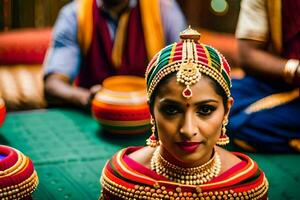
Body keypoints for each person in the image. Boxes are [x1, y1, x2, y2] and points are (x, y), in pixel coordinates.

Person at [99, 27, 269, 199]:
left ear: (226, 110)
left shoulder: (245, 186)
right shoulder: (124, 179)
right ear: (151, 110)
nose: (188, 130)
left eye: (205, 110)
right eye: (171, 110)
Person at [43, 0, 186, 109]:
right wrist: (87, 98)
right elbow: (53, 84)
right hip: (93, 118)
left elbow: (184, 74)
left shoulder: (164, 9)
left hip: (150, 118)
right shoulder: (75, 14)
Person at [227, 0, 300, 152]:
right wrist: (295, 69)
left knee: (241, 125)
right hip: (281, 81)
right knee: (216, 97)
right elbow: (247, 54)